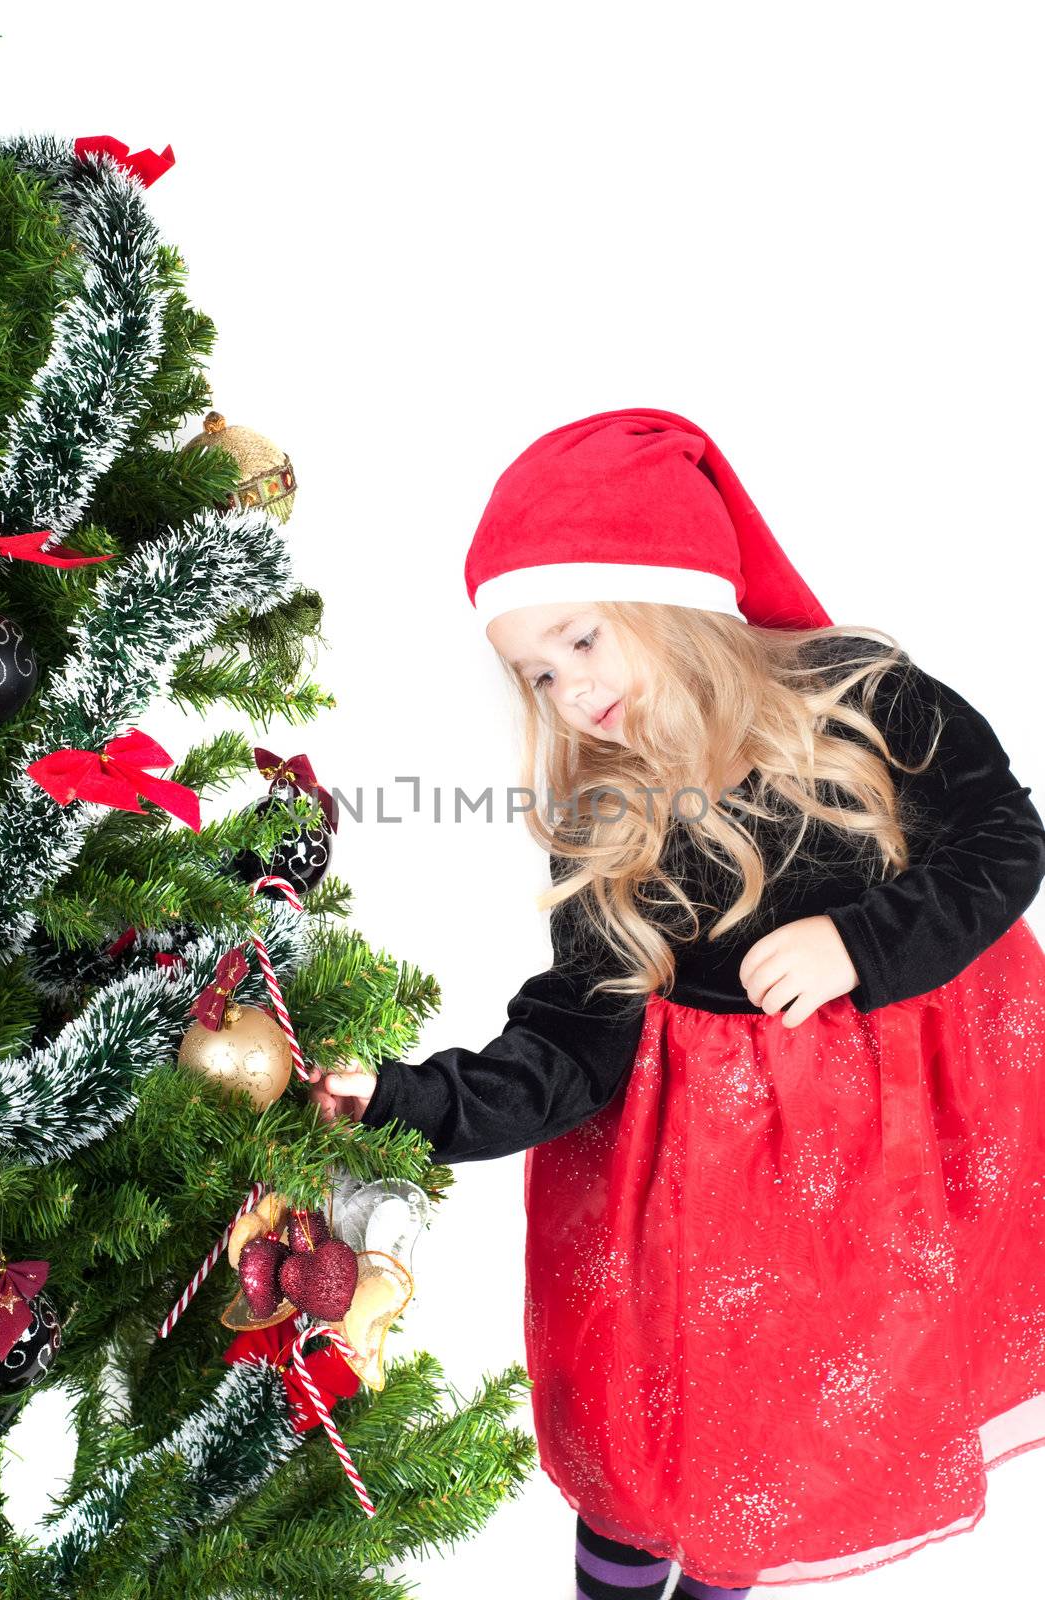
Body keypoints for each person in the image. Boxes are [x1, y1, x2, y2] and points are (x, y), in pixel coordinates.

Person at [307, 408, 1045, 1594]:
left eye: (582, 640)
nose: (566, 687)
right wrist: (403, 1099)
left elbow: (1002, 842)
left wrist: (861, 942)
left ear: (672, 593)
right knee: (647, 1448)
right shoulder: (611, 818)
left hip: (850, 1181)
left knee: (758, 1445)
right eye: (536, 671)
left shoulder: (867, 698)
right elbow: (569, 1040)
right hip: (683, 1195)